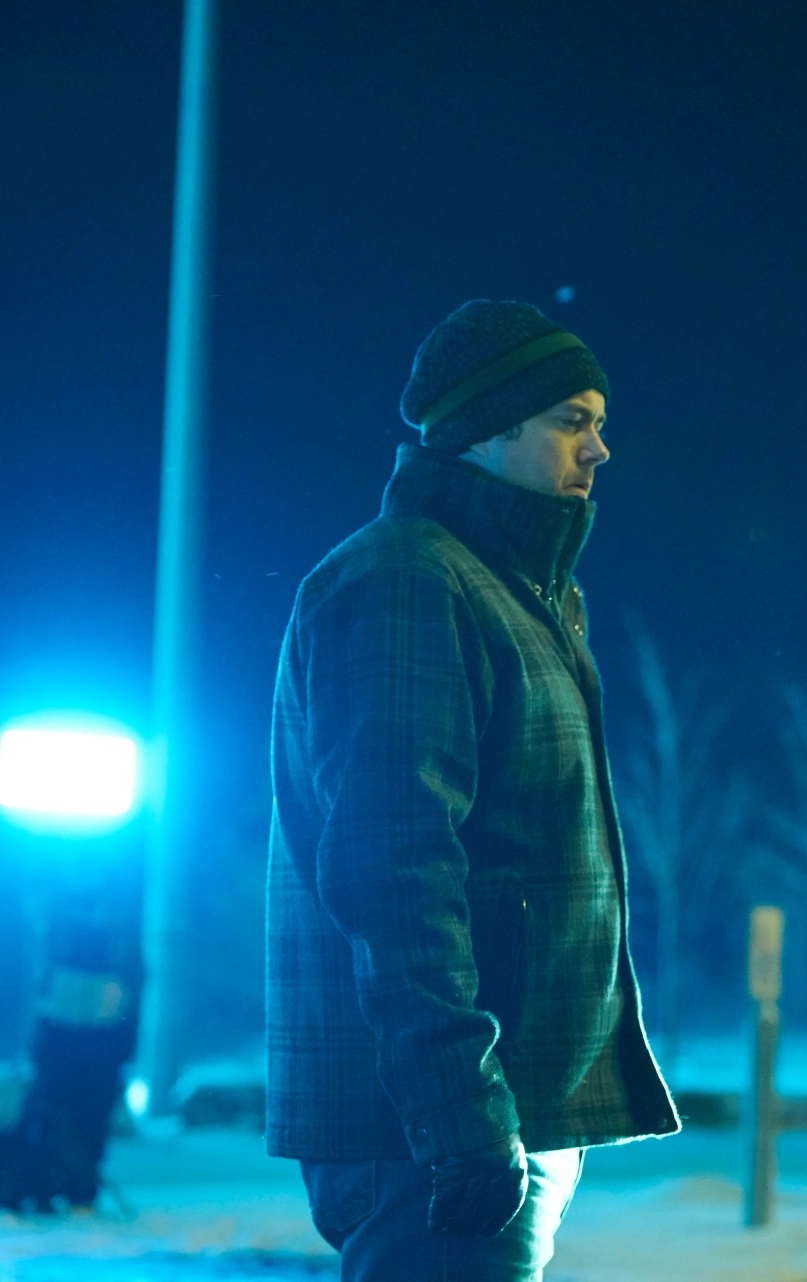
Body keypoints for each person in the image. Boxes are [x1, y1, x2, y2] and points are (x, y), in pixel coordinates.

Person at [267, 301, 678, 1281]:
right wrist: (461, 1114)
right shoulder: (407, 583)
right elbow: (394, 868)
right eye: (573, 420)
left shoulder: (511, 589)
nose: (601, 448)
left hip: (501, 1106)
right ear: (491, 431)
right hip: (439, 1125)